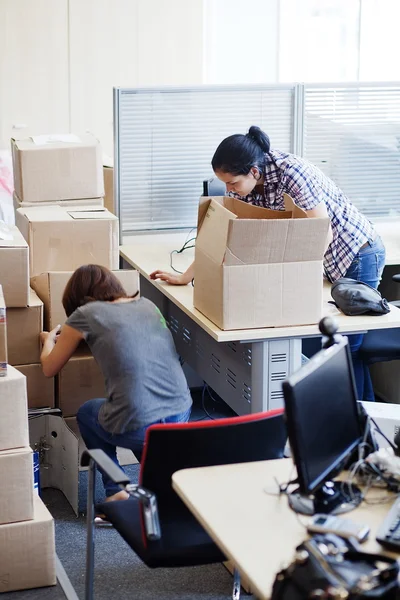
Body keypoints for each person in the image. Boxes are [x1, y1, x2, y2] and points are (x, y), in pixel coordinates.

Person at [150, 126, 386, 402]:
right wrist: (186, 276)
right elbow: (221, 240)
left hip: (355, 253)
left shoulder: (293, 174)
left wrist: (300, 282)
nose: (228, 190)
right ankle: (358, 425)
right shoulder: (245, 189)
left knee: (345, 349)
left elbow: (322, 233)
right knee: (340, 350)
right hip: (325, 258)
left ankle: (360, 430)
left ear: (253, 171)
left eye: (232, 183)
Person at [40, 264, 192, 502]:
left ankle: (116, 488)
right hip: (180, 416)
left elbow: (49, 368)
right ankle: (157, 478)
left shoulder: (85, 314)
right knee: (137, 411)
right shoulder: (147, 305)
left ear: (76, 299)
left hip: (139, 425)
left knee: (87, 413)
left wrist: (48, 341)